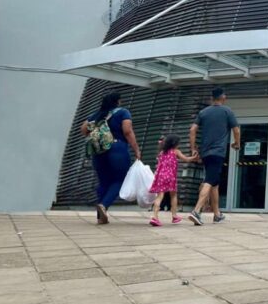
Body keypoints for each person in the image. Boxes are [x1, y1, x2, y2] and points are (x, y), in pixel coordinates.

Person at [80, 92, 141, 224]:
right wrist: (136, 149)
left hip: (99, 151)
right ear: (118, 101)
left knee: (104, 182)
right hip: (117, 149)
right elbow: (127, 131)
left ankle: (100, 217)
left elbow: (84, 130)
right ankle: (104, 205)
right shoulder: (123, 112)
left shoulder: (96, 115)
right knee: (120, 180)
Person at [187, 87, 240, 225]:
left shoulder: (203, 112)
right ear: (223, 97)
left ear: (212, 98)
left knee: (214, 183)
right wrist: (237, 143)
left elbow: (192, 130)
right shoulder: (227, 111)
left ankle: (217, 214)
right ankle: (196, 211)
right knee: (210, 180)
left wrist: (193, 149)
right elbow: (236, 130)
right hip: (218, 153)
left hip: (205, 153)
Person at [148, 135, 194, 226]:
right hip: (170, 176)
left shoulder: (162, 152)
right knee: (173, 195)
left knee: (159, 196)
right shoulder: (176, 151)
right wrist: (194, 158)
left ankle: (155, 217)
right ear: (174, 144)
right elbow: (186, 159)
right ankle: (174, 216)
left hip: (160, 176)